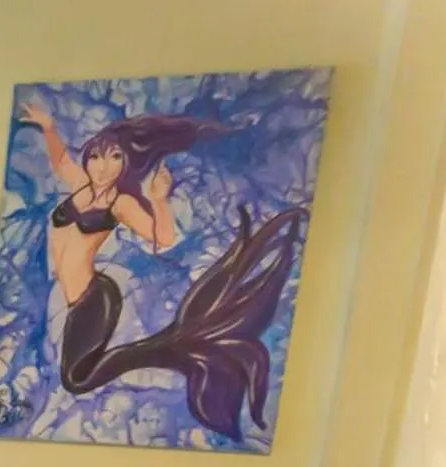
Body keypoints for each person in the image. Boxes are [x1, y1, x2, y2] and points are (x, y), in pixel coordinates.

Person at [19, 100, 306, 439]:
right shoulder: (80, 186)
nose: (102, 166)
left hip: (95, 299)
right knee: (75, 376)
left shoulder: (120, 203)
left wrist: (157, 201)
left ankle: (166, 348)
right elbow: (61, 161)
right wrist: (48, 128)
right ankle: (167, 346)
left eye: (114, 157)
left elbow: (164, 237)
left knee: (75, 380)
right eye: (97, 155)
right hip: (72, 298)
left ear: (125, 164)